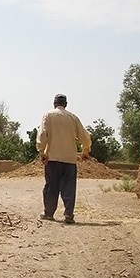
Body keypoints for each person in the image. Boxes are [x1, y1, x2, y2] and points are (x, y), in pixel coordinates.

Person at [36, 93, 91, 224]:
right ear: (66, 104)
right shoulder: (73, 117)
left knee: (51, 187)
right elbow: (85, 136)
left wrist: (42, 152)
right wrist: (85, 151)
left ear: (54, 103)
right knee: (69, 187)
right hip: (70, 159)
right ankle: (68, 214)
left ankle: (48, 213)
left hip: (53, 158)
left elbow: (42, 134)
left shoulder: (48, 115)